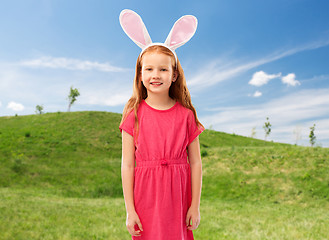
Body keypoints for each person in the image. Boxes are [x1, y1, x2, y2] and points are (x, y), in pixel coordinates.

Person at [119, 9, 204, 239]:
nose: (155, 75)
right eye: (149, 69)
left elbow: (195, 162)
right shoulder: (133, 115)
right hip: (145, 196)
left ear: (174, 75)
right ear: (140, 74)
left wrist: (194, 205)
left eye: (163, 69)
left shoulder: (186, 116)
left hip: (178, 196)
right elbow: (127, 165)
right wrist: (130, 211)